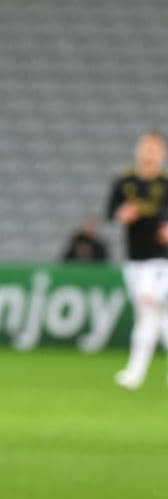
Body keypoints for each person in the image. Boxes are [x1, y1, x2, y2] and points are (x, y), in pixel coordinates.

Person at [106, 130, 168, 389]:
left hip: (161, 259)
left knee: (146, 308)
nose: (149, 153)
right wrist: (122, 213)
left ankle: (134, 373)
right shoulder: (124, 181)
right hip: (135, 258)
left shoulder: (165, 184)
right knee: (159, 316)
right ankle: (136, 372)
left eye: (155, 148)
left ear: (162, 153)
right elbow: (110, 211)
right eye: (146, 147)